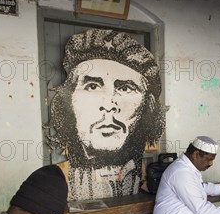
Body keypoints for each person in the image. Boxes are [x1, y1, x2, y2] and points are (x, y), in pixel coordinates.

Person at [49, 29, 166, 200]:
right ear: (68, 100)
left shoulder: (143, 174)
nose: (108, 105)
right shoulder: (54, 179)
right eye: (93, 86)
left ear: (147, 106)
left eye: (125, 88)